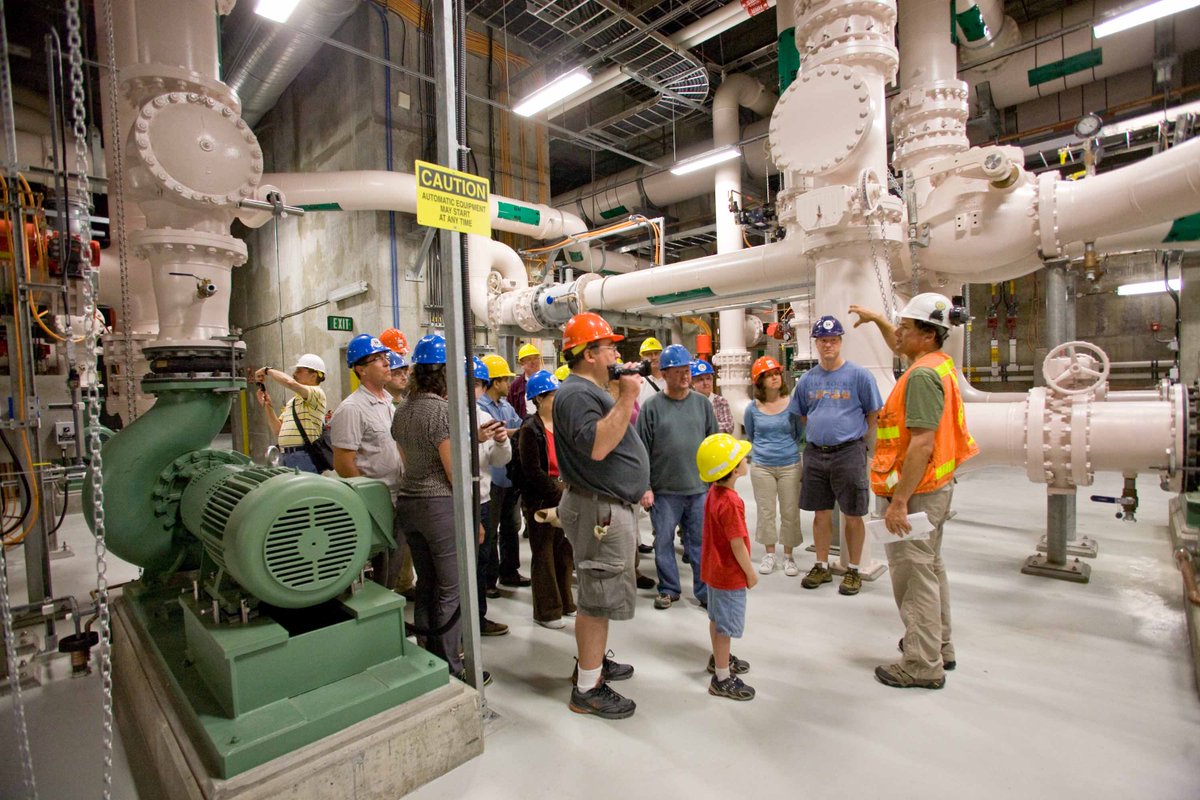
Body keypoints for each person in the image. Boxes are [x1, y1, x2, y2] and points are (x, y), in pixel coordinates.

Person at [849, 293, 978, 690]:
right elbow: (899, 345)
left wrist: (899, 502)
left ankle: (922, 664)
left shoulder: (921, 377)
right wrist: (878, 321)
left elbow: (921, 443)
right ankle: (939, 644)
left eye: (906, 328)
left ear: (927, 335)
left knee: (914, 576)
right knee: (931, 569)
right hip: (934, 488)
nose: (899, 334)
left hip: (915, 492)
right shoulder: (936, 365)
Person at [553, 312, 648, 720]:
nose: (616, 353)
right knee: (596, 596)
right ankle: (587, 688)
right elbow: (597, 446)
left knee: (601, 592)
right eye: (609, 346)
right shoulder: (575, 395)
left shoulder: (589, 390)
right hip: (598, 510)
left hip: (606, 505)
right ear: (589, 354)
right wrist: (626, 395)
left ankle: (592, 664)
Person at [393, 335, 502, 685]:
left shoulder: (403, 410)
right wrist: (472, 518)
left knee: (426, 584)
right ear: (444, 374)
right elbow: (453, 471)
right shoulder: (441, 411)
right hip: (440, 506)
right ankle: (453, 667)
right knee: (452, 588)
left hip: (410, 503)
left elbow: (407, 462)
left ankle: (427, 655)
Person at [790, 315, 883, 596]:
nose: (827, 344)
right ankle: (821, 564)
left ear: (840, 342)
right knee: (821, 514)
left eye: (832, 340)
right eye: (822, 340)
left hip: (849, 452)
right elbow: (804, 415)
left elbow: (873, 413)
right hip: (817, 454)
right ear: (816, 344)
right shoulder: (807, 380)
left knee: (853, 515)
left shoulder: (859, 376)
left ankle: (853, 569)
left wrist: (855, 436)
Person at [638, 344, 718, 610]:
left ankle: (704, 591)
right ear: (665, 373)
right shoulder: (651, 408)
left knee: (699, 543)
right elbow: (641, 451)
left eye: (688, 371)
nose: (686, 376)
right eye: (679, 371)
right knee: (663, 542)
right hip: (664, 491)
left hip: (698, 489)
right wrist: (645, 487)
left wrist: (716, 483)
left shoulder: (702, 404)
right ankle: (669, 589)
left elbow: (714, 444)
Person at [329, 334, 404, 588]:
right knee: (379, 570)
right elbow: (343, 463)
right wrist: (369, 503)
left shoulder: (389, 404)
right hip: (376, 504)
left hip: (398, 495)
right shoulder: (352, 409)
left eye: (386, 357)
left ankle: (391, 603)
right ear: (361, 369)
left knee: (394, 563)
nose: (387, 363)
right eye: (379, 359)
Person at [697, 433, 757, 701]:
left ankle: (719, 660)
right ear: (733, 469)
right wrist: (750, 573)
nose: (745, 459)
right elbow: (737, 544)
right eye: (741, 457)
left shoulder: (714, 492)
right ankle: (721, 677)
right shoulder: (731, 502)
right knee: (724, 628)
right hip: (729, 575)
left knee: (716, 619)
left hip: (713, 570)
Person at [516, 370, 576, 629]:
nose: (558, 400)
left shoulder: (561, 425)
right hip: (541, 497)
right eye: (553, 395)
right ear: (539, 399)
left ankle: (565, 602)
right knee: (543, 555)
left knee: (564, 552)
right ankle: (547, 611)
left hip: (565, 492)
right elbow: (531, 471)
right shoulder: (530, 429)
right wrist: (557, 494)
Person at [744, 355, 805, 577]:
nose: (774, 378)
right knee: (766, 511)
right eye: (768, 376)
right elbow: (751, 434)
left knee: (790, 510)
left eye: (777, 374)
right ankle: (769, 553)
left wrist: (786, 449)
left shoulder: (792, 404)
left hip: (789, 464)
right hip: (762, 465)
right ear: (759, 381)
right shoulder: (752, 408)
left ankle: (788, 555)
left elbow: (799, 433)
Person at [477, 353, 530, 592]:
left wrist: (508, 431)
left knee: (512, 526)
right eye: (505, 380)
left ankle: (510, 572)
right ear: (495, 381)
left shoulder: (505, 406)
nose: (510, 384)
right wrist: (509, 431)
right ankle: (488, 580)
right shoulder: (480, 407)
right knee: (489, 532)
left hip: (509, 478)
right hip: (493, 479)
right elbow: (502, 432)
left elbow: (521, 426)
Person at [470, 356, 513, 637]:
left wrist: (499, 441)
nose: (473, 389)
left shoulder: (485, 417)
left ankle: (478, 618)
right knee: (464, 565)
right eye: (468, 383)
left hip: (483, 498)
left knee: (482, 561)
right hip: (461, 499)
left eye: (477, 384)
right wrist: (476, 439)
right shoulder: (446, 415)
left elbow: (500, 460)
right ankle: (463, 623)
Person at [254, 354, 328, 473]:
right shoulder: (293, 402)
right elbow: (278, 430)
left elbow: (290, 382)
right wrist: (267, 406)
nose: (295, 374)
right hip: (286, 456)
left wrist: (267, 370)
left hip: (303, 456)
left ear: (313, 376)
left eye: (299, 371)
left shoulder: (317, 393)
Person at [691, 359, 733, 435]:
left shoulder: (721, 402)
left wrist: (703, 427)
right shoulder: (688, 403)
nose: (705, 383)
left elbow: (728, 427)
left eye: (708, 379)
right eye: (700, 379)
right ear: (692, 383)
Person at [508, 343, 543, 418]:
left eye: (536, 358)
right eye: (529, 359)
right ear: (521, 363)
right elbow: (510, 410)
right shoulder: (515, 385)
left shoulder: (547, 381)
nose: (533, 362)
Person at [635, 336, 665, 407]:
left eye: (656, 353)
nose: (654, 357)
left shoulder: (670, 379)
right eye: (649, 354)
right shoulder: (637, 381)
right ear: (642, 358)